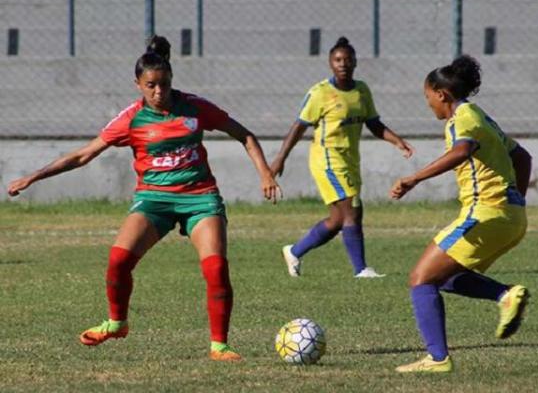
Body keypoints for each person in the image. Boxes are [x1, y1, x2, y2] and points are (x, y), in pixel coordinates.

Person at [7, 36, 280, 362]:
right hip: (153, 201)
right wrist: (34, 177)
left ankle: (219, 346)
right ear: (137, 84)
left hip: (200, 198)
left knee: (216, 268)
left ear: (171, 80)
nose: (159, 92)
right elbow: (84, 155)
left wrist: (265, 172)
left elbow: (244, 135)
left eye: (164, 84)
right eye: (151, 85)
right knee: (118, 262)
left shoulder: (195, 107)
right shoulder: (131, 119)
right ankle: (117, 323)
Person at [390, 55, 532, 373]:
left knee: (420, 279)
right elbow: (523, 157)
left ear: (441, 94)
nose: (429, 106)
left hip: (485, 214)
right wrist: (515, 202)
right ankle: (505, 295)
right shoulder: (481, 115)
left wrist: (414, 178)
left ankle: (437, 358)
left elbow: (461, 151)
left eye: (428, 98)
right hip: (510, 218)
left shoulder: (461, 119)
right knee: (447, 276)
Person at [270, 37, 414, 278]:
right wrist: (280, 158)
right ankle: (361, 270)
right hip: (327, 160)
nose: (343, 64)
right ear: (330, 63)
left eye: (348, 59)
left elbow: (374, 124)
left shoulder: (362, 90)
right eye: (338, 60)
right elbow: (298, 127)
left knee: (338, 219)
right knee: (353, 210)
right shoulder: (320, 93)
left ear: (355, 62)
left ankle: (294, 251)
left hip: (350, 160)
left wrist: (397, 140)